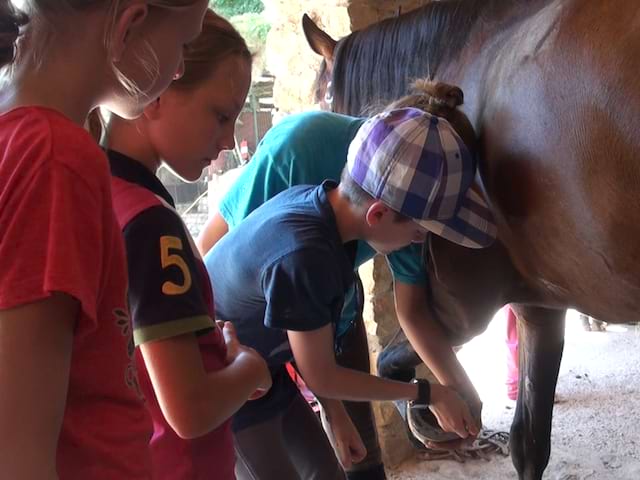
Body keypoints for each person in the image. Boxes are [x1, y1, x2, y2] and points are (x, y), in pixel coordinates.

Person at [206, 81, 496, 480]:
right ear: (377, 215)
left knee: (329, 472)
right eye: (418, 232)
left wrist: (336, 414)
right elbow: (323, 371)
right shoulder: (306, 255)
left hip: (265, 369)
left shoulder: (320, 205)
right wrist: (426, 393)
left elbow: (312, 350)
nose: (419, 242)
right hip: (223, 378)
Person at [0, 0, 209, 478]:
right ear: (131, 22)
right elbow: (18, 456)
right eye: (182, 43)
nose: (178, 67)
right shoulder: (56, 158)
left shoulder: (20, 135)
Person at [104, 10, 272, 479]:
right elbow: (189, 409)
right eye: (220, 116)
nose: (226, 141)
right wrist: (249, 367)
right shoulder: (152, 224)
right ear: (155, 89)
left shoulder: (102, 191)